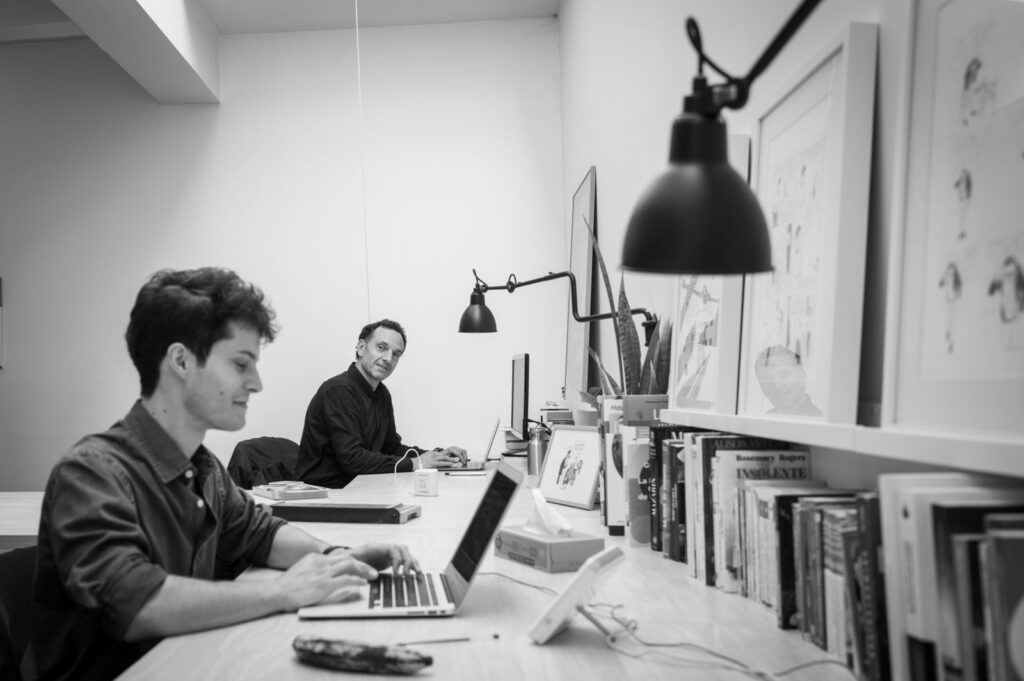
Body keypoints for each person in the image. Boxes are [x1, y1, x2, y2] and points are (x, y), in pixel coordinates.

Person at [31, 268, 420, 681]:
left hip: (187, 662)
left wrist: (338, 557)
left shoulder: (203, 468)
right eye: (241, 364)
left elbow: (261, 534)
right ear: (181, 361)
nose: (256, 383)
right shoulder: (92, 472)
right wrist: (282, 591)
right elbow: (137, 604)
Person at [295, 319, 466, 488]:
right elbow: (352, 460)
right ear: (361, 348)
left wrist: (437, 456)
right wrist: (416, 463)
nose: (388, 358)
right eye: (381, 348)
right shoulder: (338, 390)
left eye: (396, 354)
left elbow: (390, 447)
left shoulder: (382, 394)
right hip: (324, 492)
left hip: (361, 487)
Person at [753, 345, 822, 417]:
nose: (777, 386)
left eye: (783, 376)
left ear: (802, 377)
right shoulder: (763, 420)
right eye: (768, 380)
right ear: (762, 389)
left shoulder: (819, 420)